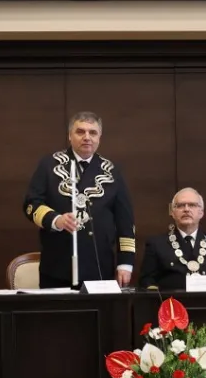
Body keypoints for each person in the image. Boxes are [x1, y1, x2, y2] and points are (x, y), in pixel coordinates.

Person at [22, 112, 135, 288]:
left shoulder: (112, 171)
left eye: (93, 133)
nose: (87, 137)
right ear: (70, 135)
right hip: (57, 265)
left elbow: (125, 221)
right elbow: (31, 204)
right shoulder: (49, 165)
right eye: (80, 131)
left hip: (99, 266)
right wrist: (56, 220)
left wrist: (125, 263)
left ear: (99, 137)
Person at [138, 187, 206, 291]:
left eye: (192, 205)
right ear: (172, 212)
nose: (186, 209)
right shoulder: (156, 244)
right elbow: (147, 282)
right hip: (172, 300)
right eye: (180, 205)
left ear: (201, 212)